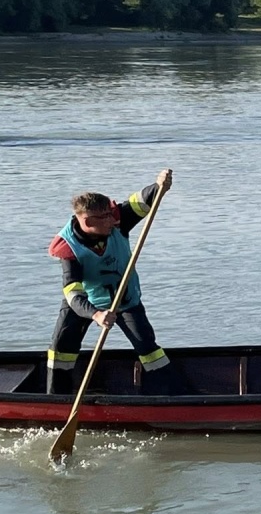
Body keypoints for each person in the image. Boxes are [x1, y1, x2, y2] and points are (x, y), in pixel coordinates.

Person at [46, 169, 179, 395]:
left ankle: (169, 396)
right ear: (88, 221)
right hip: (87, 303)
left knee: (148, 349)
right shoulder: (68, 247)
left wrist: (159, 186)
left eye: (110, 214)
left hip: (125, 300)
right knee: (61, 350)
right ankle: (57, 399)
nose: (112, 220)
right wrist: (96, 314)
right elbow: (73, 294)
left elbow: (141, 202)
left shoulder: (117, 221)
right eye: (105, 217)